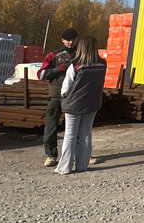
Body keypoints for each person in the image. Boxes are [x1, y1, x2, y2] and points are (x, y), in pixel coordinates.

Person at [56, 35, 107, 174]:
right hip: (93, 102)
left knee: (70, 134)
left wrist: (64, 97)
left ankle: (65, 167)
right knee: (86, 133)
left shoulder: (75, 64)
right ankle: (82, 165)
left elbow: (66, 86)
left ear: (81, 47)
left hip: (74, 103)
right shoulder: (103, 64)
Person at [38, 29, 79, 167]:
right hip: (56, 94)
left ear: (77, 39)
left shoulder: (81, 54)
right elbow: (41, 75)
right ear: (62, 40)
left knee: (77, 126)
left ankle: (80, 153)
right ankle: (51, 155)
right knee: (51, 125)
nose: (70, 42)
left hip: (75, 94)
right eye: (67, 40)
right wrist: (58, 70)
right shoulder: (53, 55)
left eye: (73, 39)